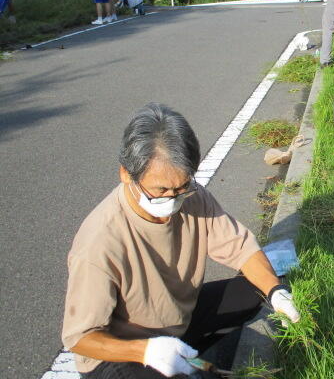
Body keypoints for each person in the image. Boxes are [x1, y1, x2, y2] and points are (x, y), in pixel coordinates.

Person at [61, 103, 300, 378]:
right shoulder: (100, 241)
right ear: (126, 174)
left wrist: (275, 291)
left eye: (182, 187)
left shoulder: (193, 198)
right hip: (122, 352)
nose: (172, 199)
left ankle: (186, 352)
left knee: (257, 286)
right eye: (160, 189)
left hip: (175, 320)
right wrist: (145, 351)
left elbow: (242, 248)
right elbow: (80, 338)